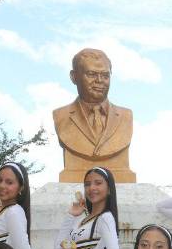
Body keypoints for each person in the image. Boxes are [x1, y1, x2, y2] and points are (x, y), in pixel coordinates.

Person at [52, 48, 136, 182]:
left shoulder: (126, 116)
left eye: (105, 75)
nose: (99, 80)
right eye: (91, 74)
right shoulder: (61, 116)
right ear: (74, 77)